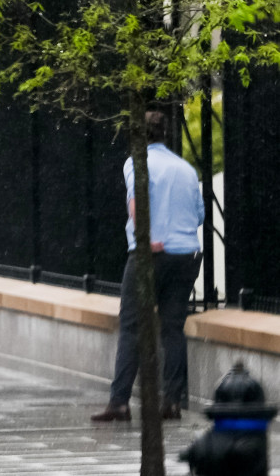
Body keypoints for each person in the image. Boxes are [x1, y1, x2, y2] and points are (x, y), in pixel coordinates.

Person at [92, 110, 204, 422]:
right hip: (186, 255)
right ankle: (172, 401)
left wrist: (146, 236)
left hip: (151, 253)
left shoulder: (136, 162)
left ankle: (120, 401)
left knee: (131, 325)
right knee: (173, 327)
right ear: (165, 134)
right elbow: (199, 216)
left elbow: (136, 200)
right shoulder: (186, 168)